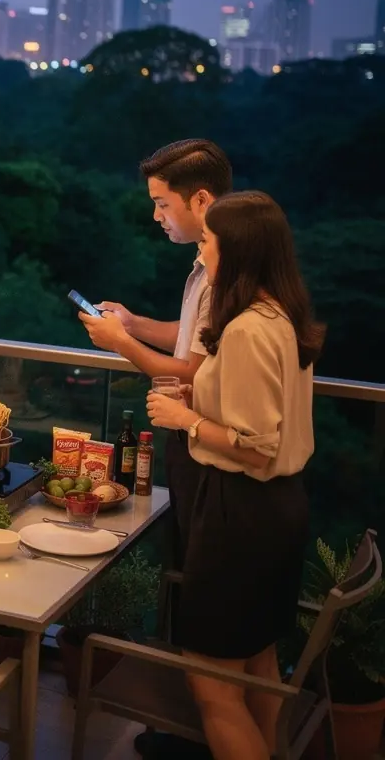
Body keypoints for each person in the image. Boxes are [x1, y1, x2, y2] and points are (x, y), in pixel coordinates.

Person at [146, 191, 321, 760]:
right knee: (258, 663)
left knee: (212, 684)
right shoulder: (281, 315)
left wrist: (186, 420)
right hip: (279, 510)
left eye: (207, 242)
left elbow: (256, 447)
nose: (201, 252)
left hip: (242, 513)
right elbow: (263, 416)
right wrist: (201, 398)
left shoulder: (246, 329)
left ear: (237, 250)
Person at [78, 139, 232, 565]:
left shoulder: (224, 271)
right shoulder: (207, 260)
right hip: (192, 439)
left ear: (200, 200)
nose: (156, 215)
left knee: (201, 570)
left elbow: (193, 372)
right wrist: (133, 324)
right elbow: (194, 336)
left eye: (162, 203)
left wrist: (121, 343)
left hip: (209, 444)